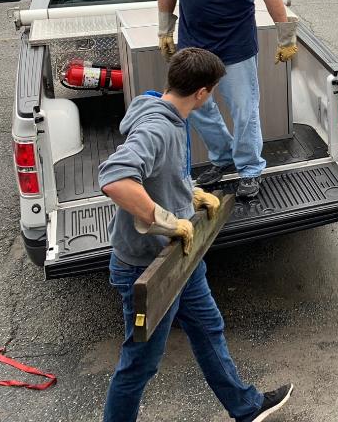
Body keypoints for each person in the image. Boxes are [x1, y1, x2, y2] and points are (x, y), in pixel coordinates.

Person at [98, 48, 294, 422]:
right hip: (147, 268)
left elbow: (163, 173)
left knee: (208, 330)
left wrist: (189, 192)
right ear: (202, 93)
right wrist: (167, 220)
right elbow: (115, 180)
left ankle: (246, 407)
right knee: (139, 365)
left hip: (179, 258)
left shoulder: (170, 112)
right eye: (214, 91)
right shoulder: (158, 126)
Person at [157, 0, 299, 200]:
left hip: (235, 44)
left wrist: (285, 36)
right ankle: (223, 158)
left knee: (244, 110)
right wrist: (165, 27)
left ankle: (250, 170)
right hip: (193, 43)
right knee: (197, 107)